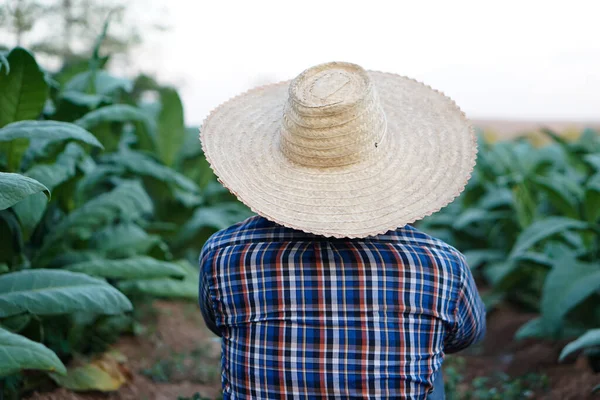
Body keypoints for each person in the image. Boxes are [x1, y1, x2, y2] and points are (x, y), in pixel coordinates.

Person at [197, 62, 486, 399]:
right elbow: (466, 336)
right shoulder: (442, 266)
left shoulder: (223, 254)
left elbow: (216, 323)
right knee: (433, 374)